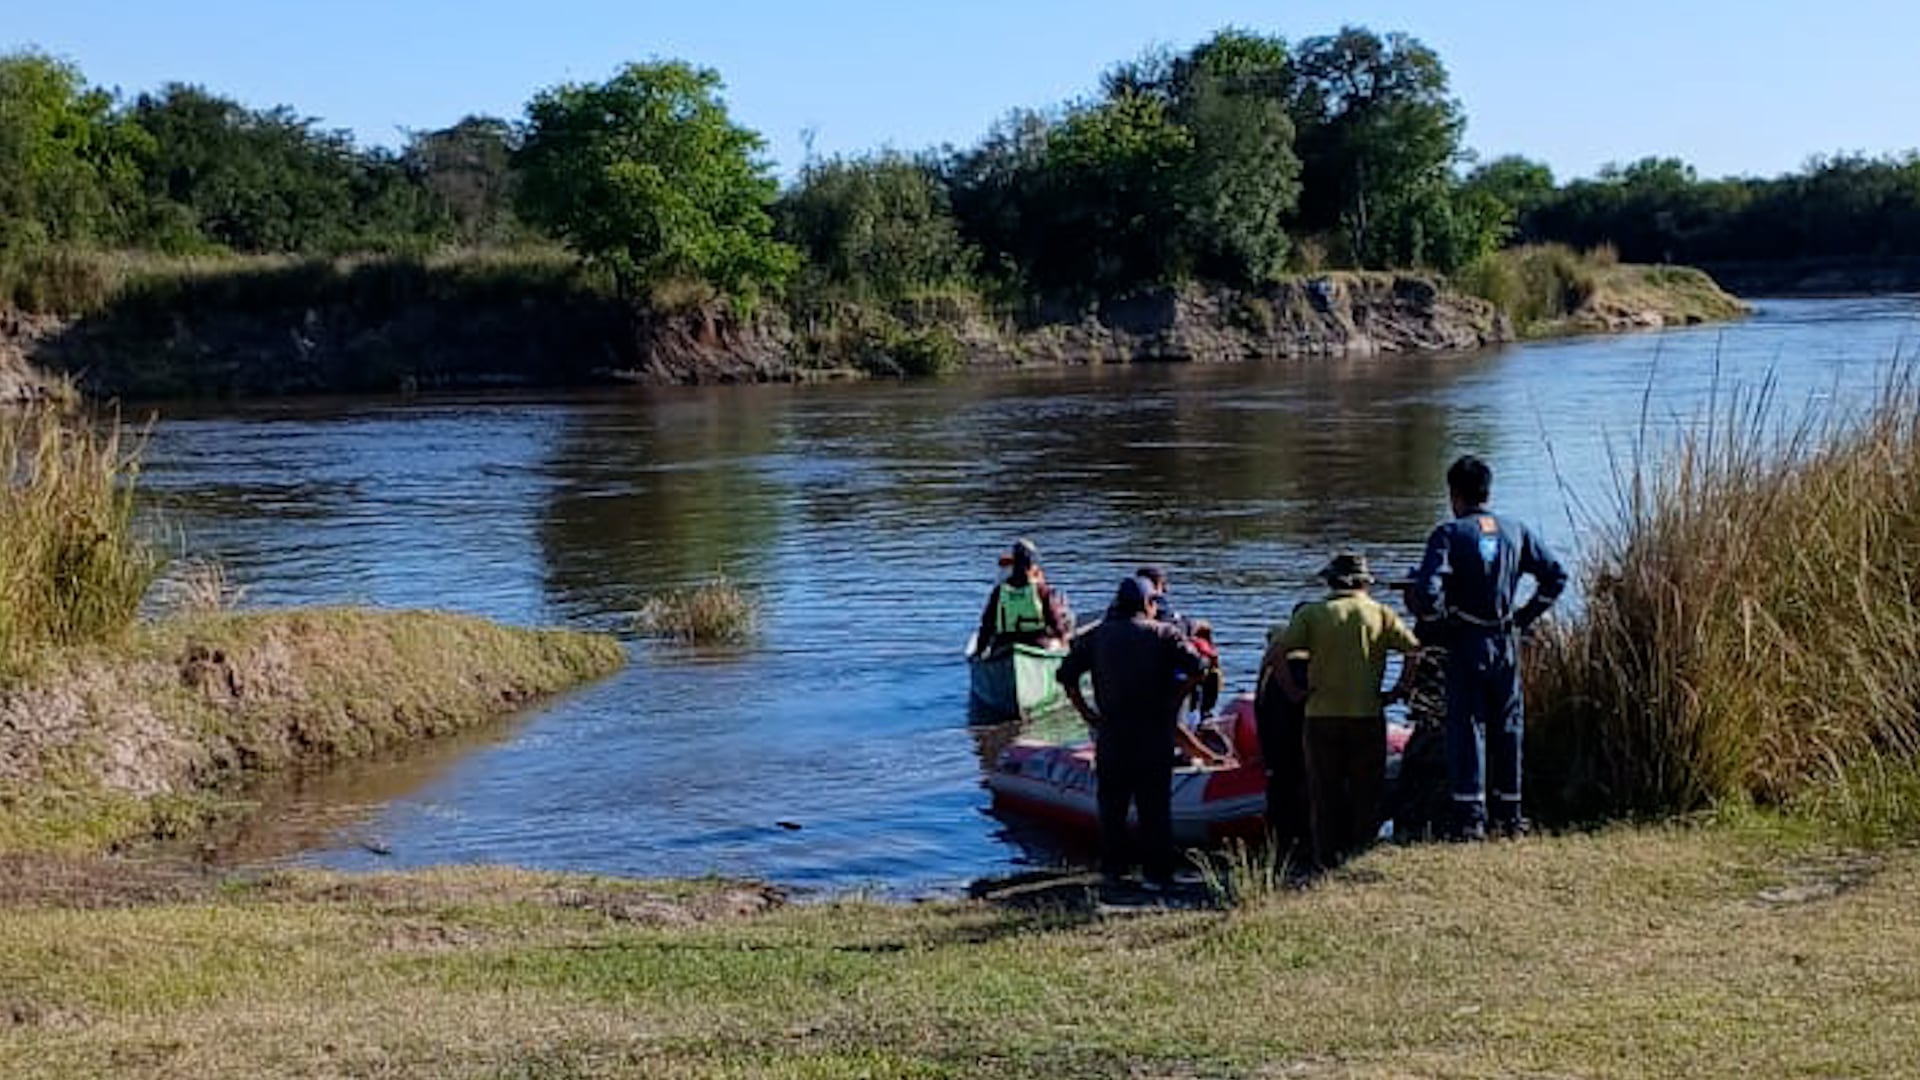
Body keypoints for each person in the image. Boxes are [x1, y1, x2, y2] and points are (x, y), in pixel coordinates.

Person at [1407, 455, 1569, 841]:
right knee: (1509, 726)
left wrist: (1439, 619)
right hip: (1506, 641)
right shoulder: (1516, 530)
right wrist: (1525, 616)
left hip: (1467, 641)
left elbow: (1428, 595)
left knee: (1468, 726)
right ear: (1488, 491)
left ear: (1453, 494)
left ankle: (1471, 819)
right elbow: (1556, 576)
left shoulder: (1448, 534)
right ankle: (1511, 815)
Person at [1058, 576, 1225, 886]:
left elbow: (1066, 676)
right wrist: (1174, 700)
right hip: (1153, 732)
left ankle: (1113, 872)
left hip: (1112, 733)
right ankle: (1158, 874)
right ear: (1149, 604)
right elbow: (1200, 667)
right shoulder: (1164, 634)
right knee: (1155, 809)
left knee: (1112, 808)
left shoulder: (1097, 636)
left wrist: (1086, 713)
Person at [1265, 553, 1421, 869]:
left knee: (1323, 792)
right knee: (1367, 791)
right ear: (1365, 582)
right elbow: (1414, 650)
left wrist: (1293, 692)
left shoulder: (1313, 613)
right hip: (1367, 713)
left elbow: (1276, 653)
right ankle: (1361, 854)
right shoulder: (1381, 614)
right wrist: (1400, 689)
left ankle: (1325, 858)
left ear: (1332, 580)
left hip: (1320, 715)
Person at [974, 539, 1073, 656]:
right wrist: (1065, 642)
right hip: (1037, 643)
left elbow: (987, 626)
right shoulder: (1042, 590)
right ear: (1032, 563)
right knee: (1059, 642)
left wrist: (979, 652)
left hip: (1004, 646)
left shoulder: (999, 592)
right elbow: (1055, 622)